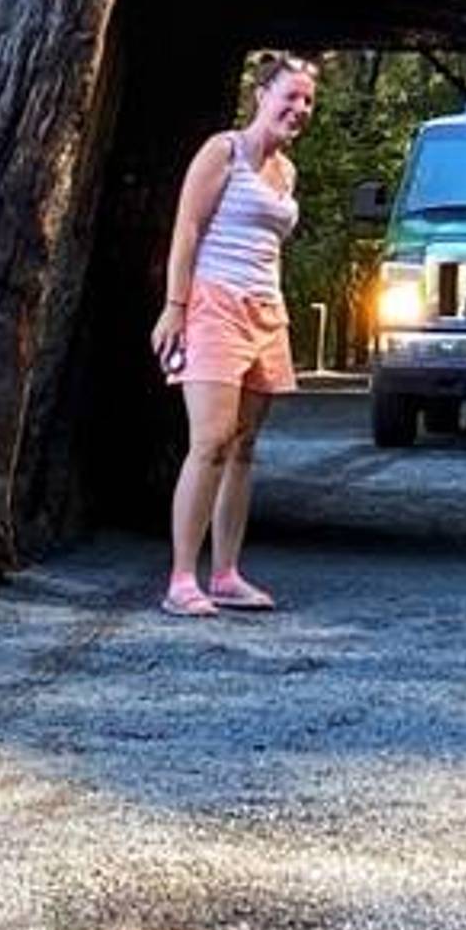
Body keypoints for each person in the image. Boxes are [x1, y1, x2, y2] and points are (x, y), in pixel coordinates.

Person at [152, 49, 317, 616]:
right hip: (213, 304)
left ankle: (225, 572)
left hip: (264, 308)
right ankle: (181, 578)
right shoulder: (223, 151)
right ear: (261, 96)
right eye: (289, 96)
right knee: (211, 439)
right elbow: (188, 229)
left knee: (245, 446)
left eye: (307, 101)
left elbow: (269, 243)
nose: (298, 108)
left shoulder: (286, 170)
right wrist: (175, 307)